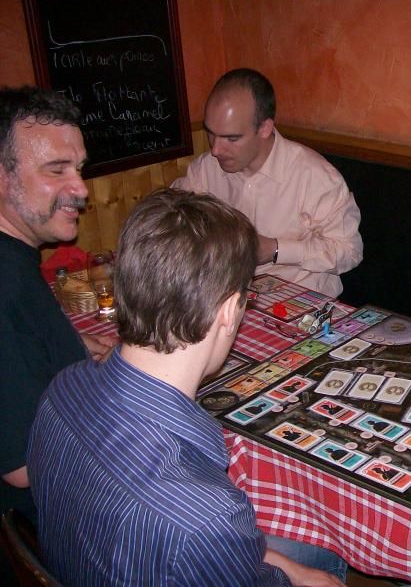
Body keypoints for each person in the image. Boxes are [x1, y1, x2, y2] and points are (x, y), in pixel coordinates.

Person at [27, 189, 346, 586]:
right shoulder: (207, 515)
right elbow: (204, 530)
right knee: (327, 557)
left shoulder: (63, 388)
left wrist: (292, 570)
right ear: (228, 311)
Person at [0, 86, 116, 521]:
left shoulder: (15, 258)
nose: (81, 189)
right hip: (62, 520)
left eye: (79, 168)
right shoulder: (6, 283)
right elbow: (23, 467)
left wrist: (65, 346)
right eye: (56, 170)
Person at [172, 68, 363, 297]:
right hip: (228, 298)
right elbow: (174, 219)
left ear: (264, 128)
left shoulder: (315, 176)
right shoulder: (205, 169)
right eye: (211, 134)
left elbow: (349, 251)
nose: (216, 150)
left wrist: (275, 249)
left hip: (302, 304)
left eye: (231, 138)